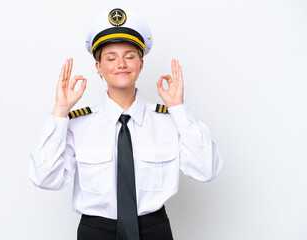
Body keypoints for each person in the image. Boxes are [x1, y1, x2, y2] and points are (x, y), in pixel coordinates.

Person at [30, 8, 223, 240]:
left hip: (154, 231)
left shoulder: (169, 122)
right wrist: (60, 111)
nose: (121, 63)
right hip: (96, 233)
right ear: (99, 68)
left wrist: (178, 108)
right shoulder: (78, 125)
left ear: (141, 64)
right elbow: (44, 178)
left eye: (130, 56)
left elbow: (207, 169)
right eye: (111, 58)